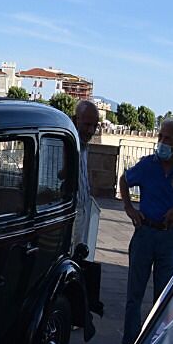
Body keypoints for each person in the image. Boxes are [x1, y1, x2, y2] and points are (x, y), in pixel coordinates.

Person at [118, 117, 173, 344]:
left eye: (167, 138)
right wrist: (129, 208)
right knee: (135, 294)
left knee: (163, 297)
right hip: (145, 233)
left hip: (168, 238)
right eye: (160, 136)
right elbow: (124, 180)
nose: (162, 141)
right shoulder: (147, 165)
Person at [72, 99, 101, 255]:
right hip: (70, 214)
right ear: (77, 120)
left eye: (94, 126)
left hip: (80, 213)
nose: (91, 131)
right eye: (87, 124)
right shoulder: (67, 145)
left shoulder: (83, 147)